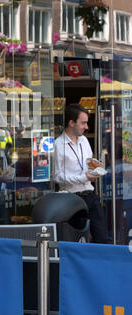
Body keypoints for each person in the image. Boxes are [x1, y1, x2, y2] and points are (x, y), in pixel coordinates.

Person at [54, 103, 108, 243]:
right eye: (83, 123)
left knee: (102, 238)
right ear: (71, 123)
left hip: (90, 195)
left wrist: (95, 169)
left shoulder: (84, 140)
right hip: (71, 199)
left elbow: (88, 162)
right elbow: (57, 176)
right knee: (77, 241)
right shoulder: (58, 145)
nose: (86, 127)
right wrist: (83, 177)